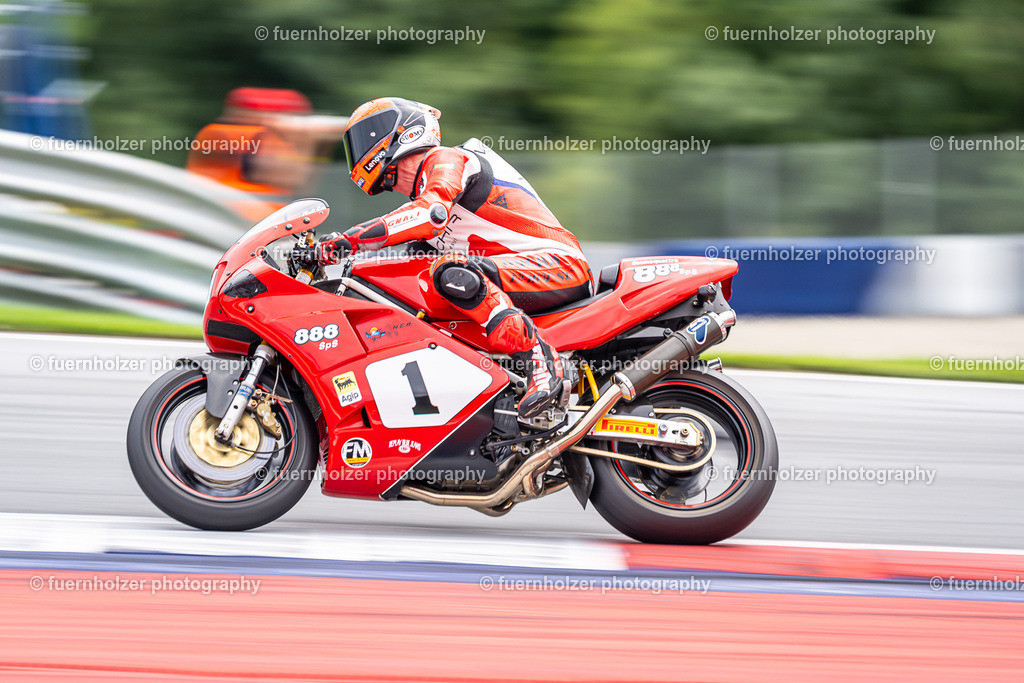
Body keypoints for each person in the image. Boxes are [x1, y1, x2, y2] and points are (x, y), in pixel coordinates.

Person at [315, 97, 593, 421]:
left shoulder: (447, 159)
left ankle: (541, 362)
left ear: (402, 130)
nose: (361, 150)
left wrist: (346, 242)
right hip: (515, 274)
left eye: (368, 136)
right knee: (418, 291)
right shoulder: (424, 201)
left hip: (556, 264)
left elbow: (429, 214)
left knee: (449, 272)